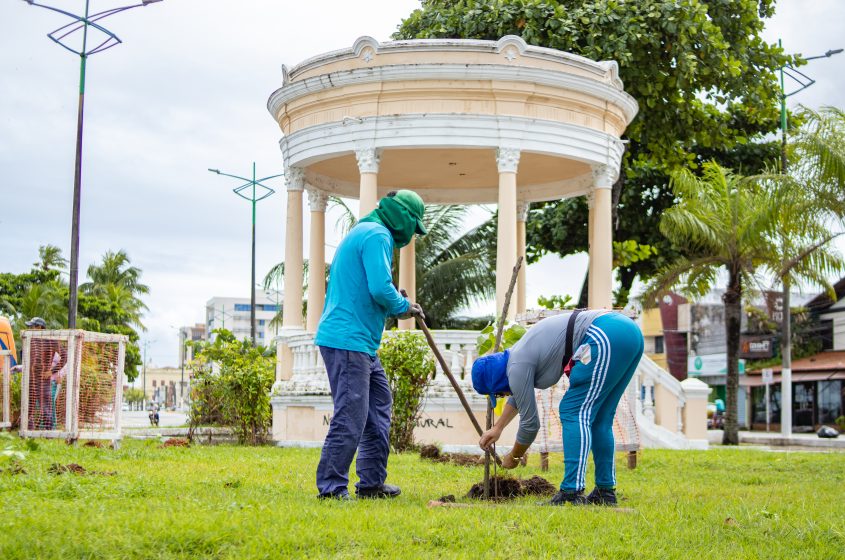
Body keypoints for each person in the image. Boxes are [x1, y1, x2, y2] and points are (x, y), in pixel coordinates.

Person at [314, 190, 427, 500]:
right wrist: (405, 306)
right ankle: (331, 488)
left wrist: (400, 300)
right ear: (403, 217)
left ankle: (372, 484)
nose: (412, 236)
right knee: (351, 414)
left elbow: (373, 286)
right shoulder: (377, 234)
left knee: (377, 409)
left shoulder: (365, 231)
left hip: (361, 344)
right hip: (347, 341)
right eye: (413, 227)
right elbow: (380, 289)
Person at [473, 310, 644, 506]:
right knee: (600, 418)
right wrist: (498, 427)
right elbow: (520, 396)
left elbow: (530, 425)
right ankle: (605, 493)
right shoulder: (516, 358)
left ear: (497, 383)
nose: (504, 396)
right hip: (626, 332)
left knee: (572, 410)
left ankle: (571, 492)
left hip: (604, 334)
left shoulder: (517, 366)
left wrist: (514, 456)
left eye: (499, 394)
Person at [24, 317, 66, 431]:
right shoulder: (30, 340)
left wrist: (52, 371)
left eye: (32, 326)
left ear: (39, 327)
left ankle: (49, 433)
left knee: (46, 407)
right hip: (30, 377)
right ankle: (28, 431)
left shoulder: (50, 340)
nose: (30, 329)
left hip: (43, 379)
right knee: (28, 406)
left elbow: (65, 356)